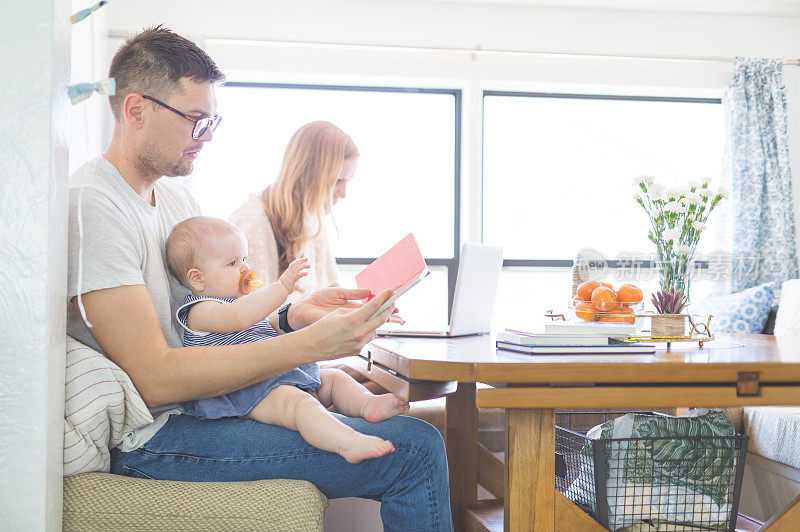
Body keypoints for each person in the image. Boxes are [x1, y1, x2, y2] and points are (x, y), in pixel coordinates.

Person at [66, 26, 452, 531]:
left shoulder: (176, 200)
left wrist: (292, 318)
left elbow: (204, 320)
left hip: (205, 409)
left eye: (212, 120)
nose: (206, 136)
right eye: (195, 120)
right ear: (136, 109)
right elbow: (156, 380)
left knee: (401, 428)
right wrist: (307, 345)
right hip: (160, 436)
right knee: (417, 449)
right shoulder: (95, 206)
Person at [165, 216, 410, 463]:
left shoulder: (239, 302)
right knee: (300, 405)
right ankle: (348, 443)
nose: (244, 269)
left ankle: (368, 405)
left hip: (274, 375)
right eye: (231, 263)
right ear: (197, 279)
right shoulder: (200, 310)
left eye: (245, 259)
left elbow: (261, 324)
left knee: (335, 378)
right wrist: (281, 287)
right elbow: (239, 318)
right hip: (246, 392)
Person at [229, 120, 356, 301]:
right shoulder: (252, 221)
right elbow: (252, 319)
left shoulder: (312, 221)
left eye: (347, 182)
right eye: (337, 181)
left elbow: (332, 289)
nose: (343, 194)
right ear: (309, 174)